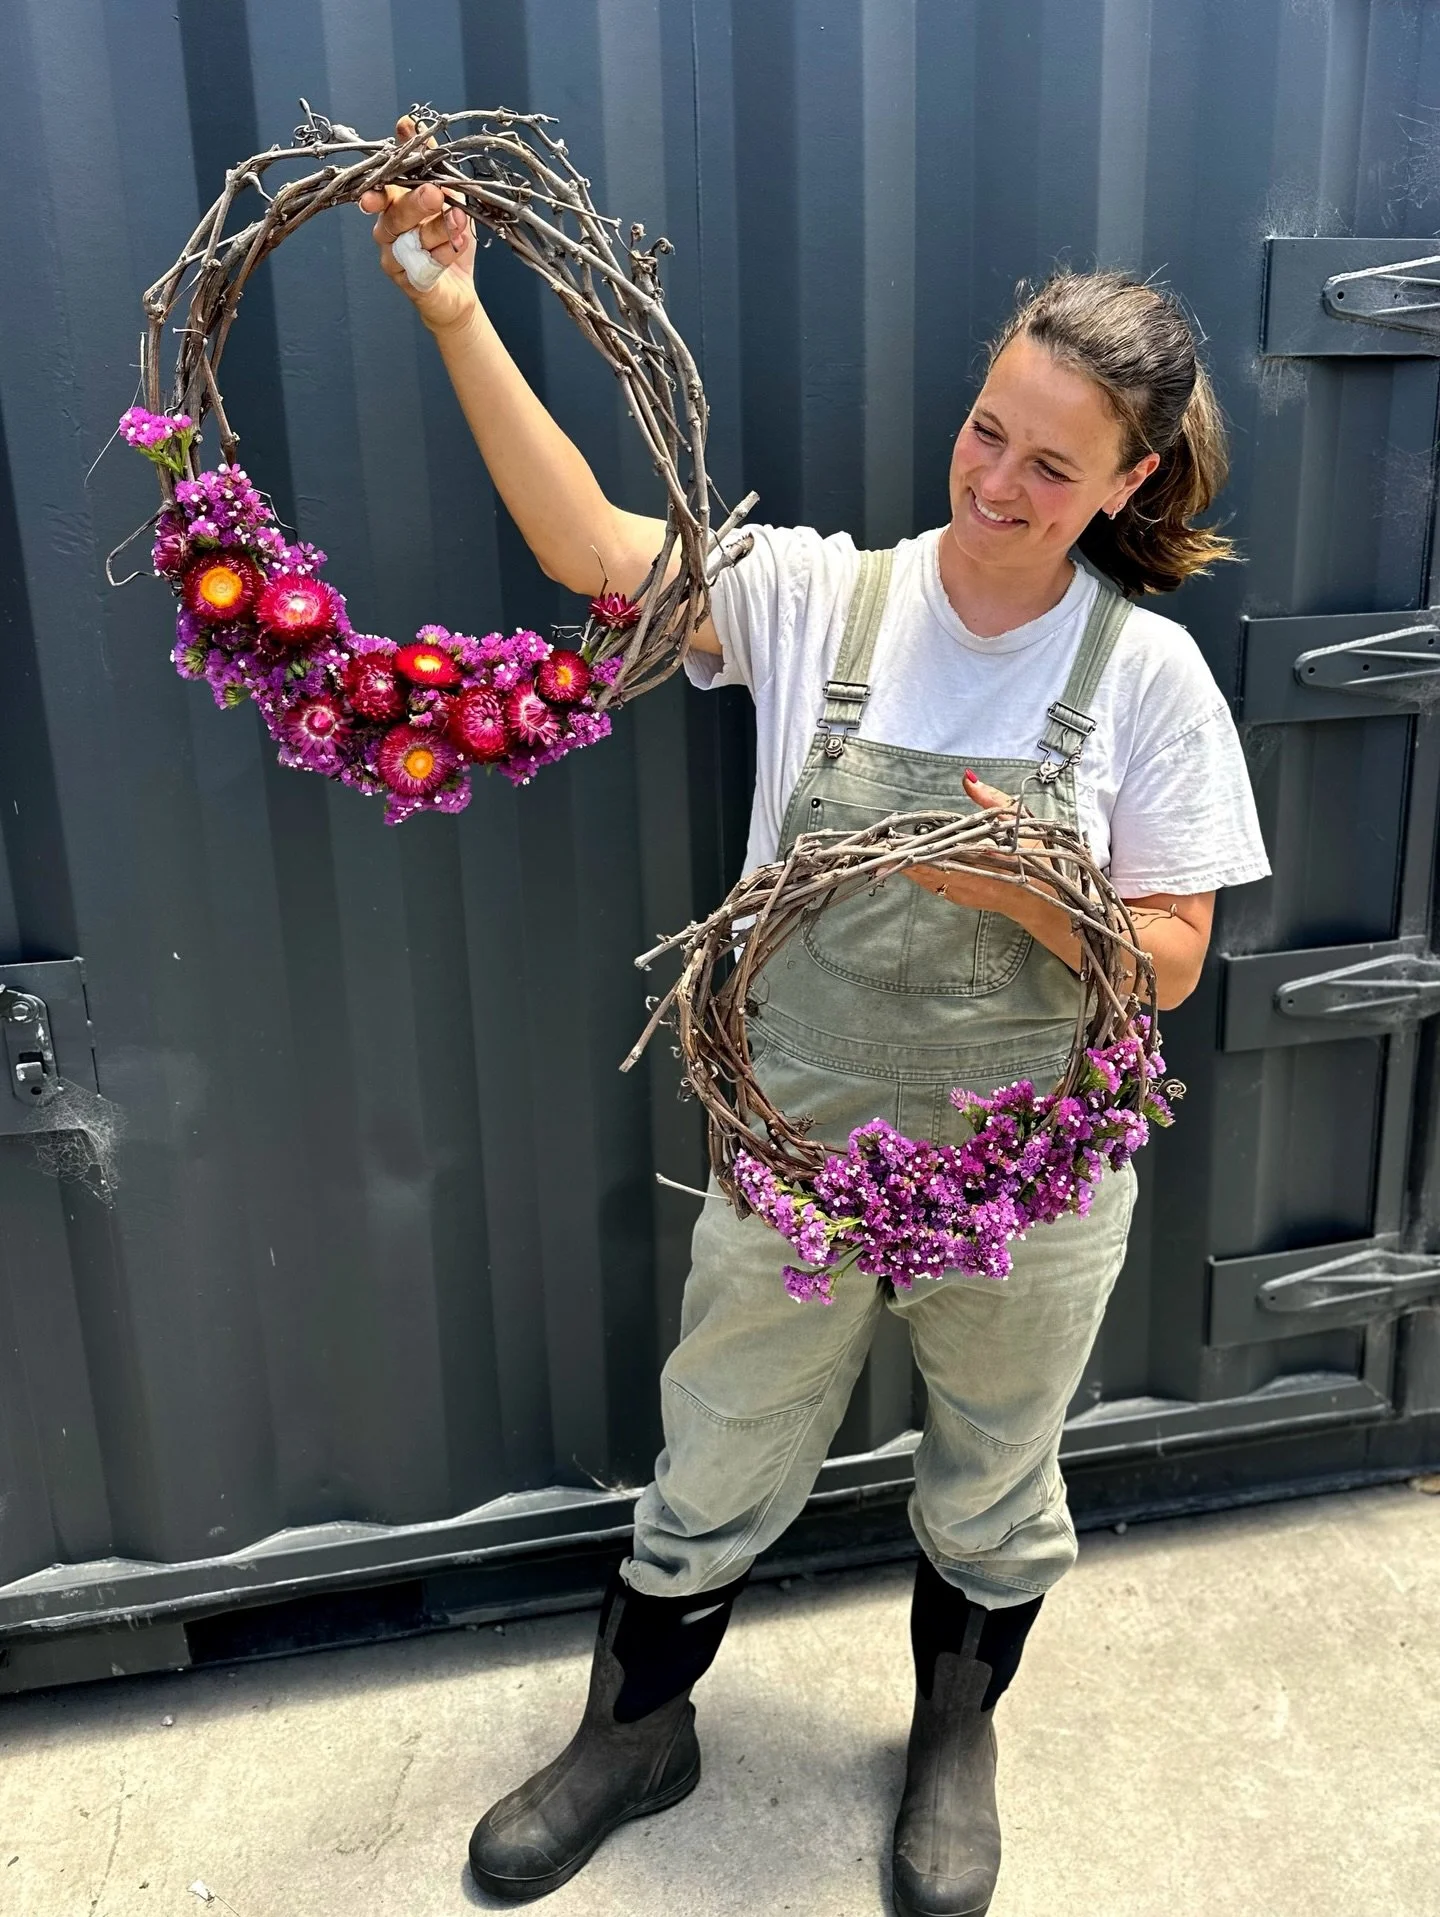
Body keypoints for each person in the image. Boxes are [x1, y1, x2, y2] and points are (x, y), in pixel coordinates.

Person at [361, 121, 1270, 1916]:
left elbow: (1167, 959)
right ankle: (637, 1732)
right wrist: (458, 309)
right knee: (719, 1441)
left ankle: (950, 1739)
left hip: (1032, 1176)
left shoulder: (1146, 675)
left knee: (997, 1473)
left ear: (1130, 478)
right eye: (986, 430)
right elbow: (588, 548)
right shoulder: (810, 595)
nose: (997, 480)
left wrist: (1017, 877)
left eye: (1050, 463)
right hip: (795, 1148)